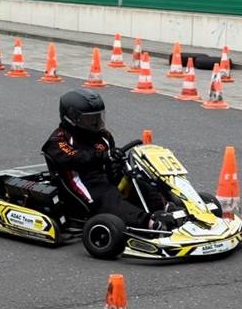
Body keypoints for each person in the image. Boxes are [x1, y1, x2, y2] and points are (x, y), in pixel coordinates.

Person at [42, 89, 173, 230]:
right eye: (90, 119)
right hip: (82, 183)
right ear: (72, 117)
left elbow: (110, 160)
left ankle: (168, 208)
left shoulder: (103, 136)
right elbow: (74, 158)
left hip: (104, 177)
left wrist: (117, 162)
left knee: (136, 180)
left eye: (98, 117)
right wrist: (103, 156)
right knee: (107, 195)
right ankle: (150, 223)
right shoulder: (59, 139)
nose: (95, 123)